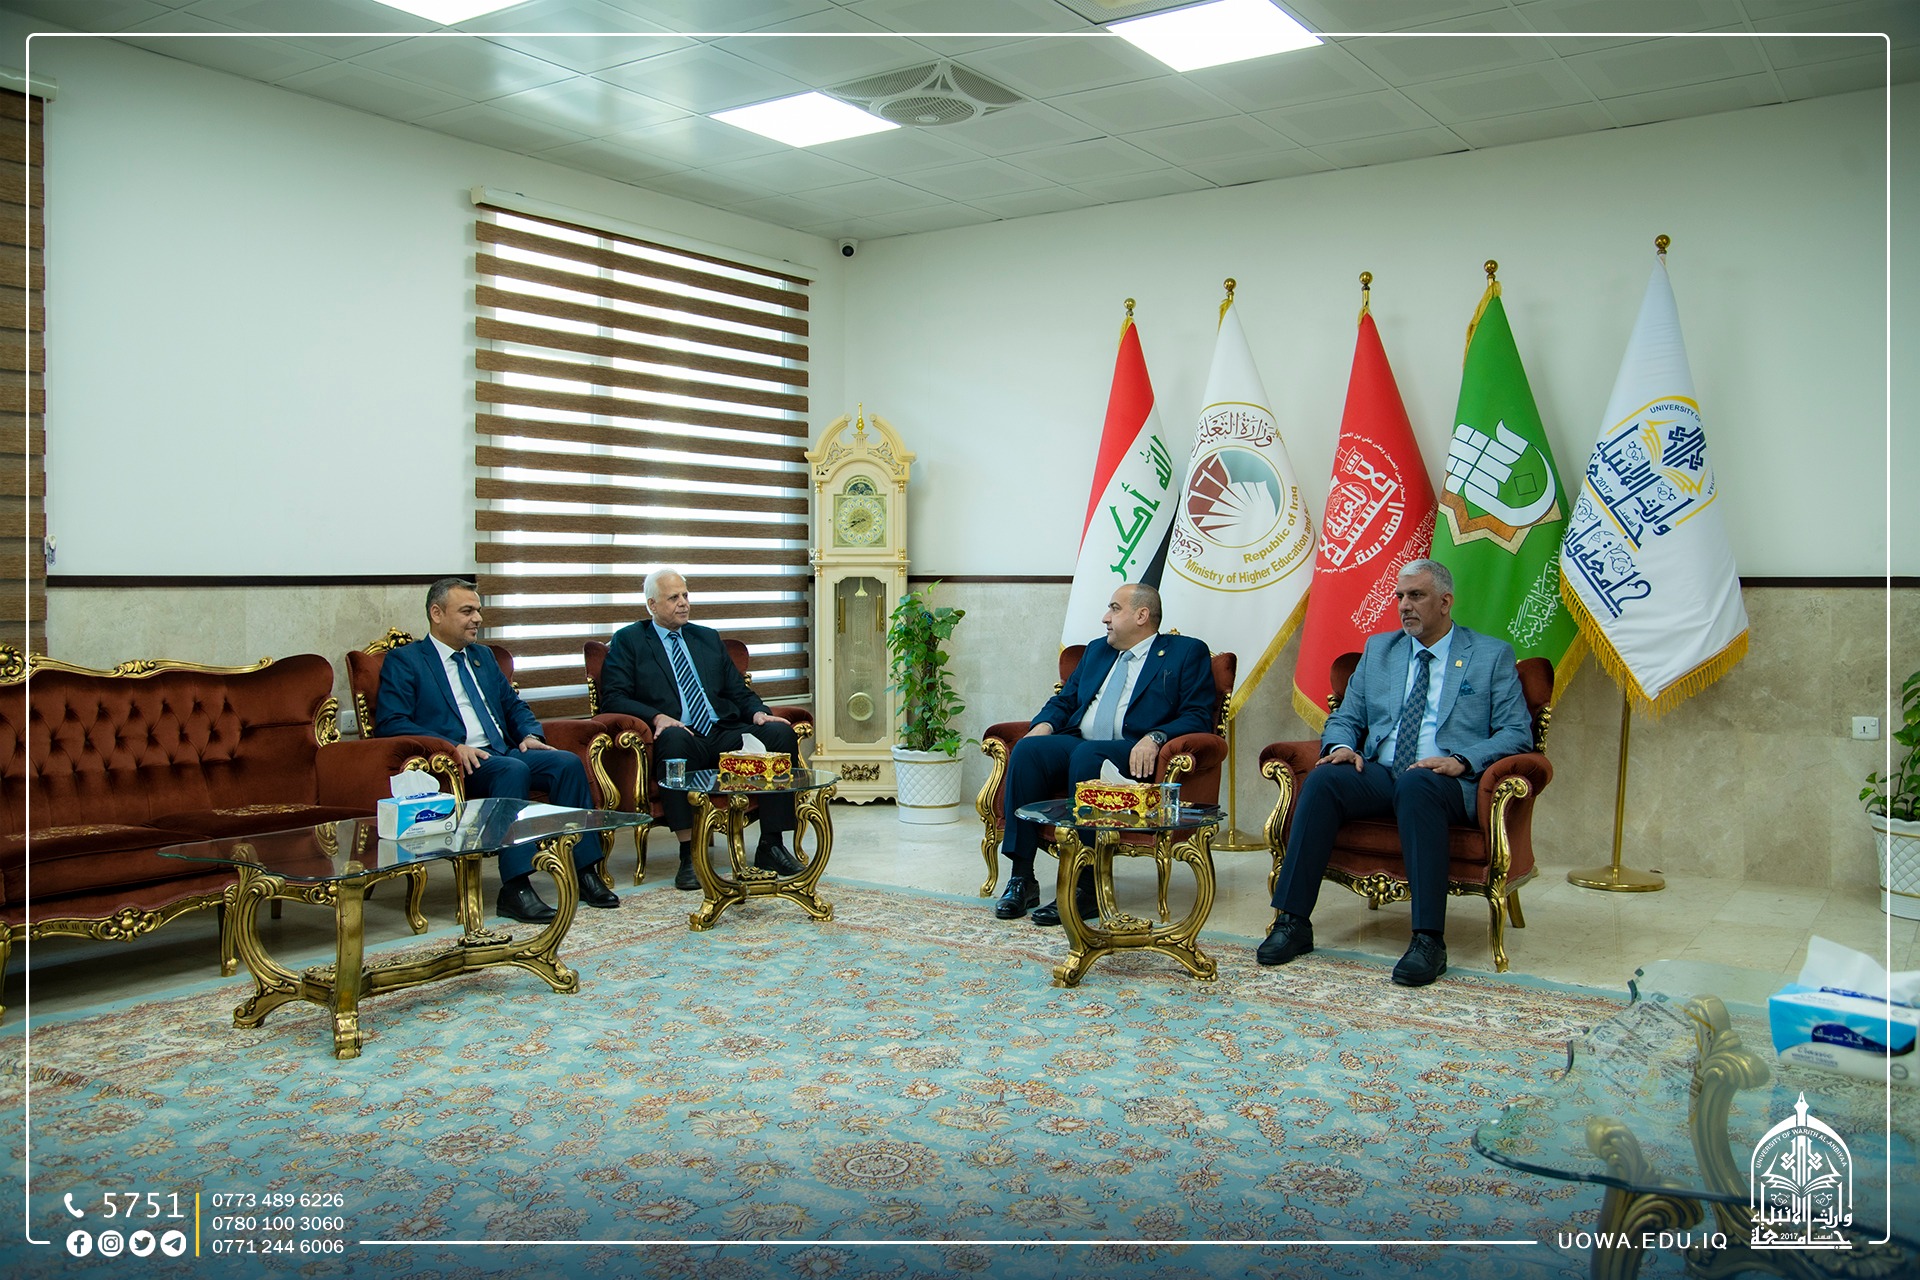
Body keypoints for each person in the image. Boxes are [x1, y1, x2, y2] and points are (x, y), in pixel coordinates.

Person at [1258, 558, 1533, 987]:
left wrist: (1462, 760)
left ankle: (1428, 941)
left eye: (1416, 596)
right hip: (1382, 772)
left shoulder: (1489, 655)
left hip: (1445, 780)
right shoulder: (1380, 650)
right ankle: (1292, 921)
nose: (1404, 605)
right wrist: (1343, 747)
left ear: (1445, 602)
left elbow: (1517, 732)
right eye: (1400, 596)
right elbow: (1346, 717)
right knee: (1325, 779)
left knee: (1418, 783)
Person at [375, 578, 622, 924]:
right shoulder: (406, 661)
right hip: (458, 764)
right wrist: (451, 747)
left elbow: (513, 704)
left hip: (502, 750)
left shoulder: (482, 657)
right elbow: (391, 722)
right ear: (436, 613)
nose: (477, 618)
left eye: (478, 610)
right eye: (467, 611)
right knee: (512, 770)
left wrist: (529, 733)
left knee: (566, 763)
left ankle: (583, 872)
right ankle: (515, 888)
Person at [997, 583, 1216, 926]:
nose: (1105, 618)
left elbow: (1198, 715)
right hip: (1081, 741)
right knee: (1028, 749)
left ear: (1142, 615)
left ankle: (1086, 886)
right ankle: (1022, 878)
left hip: (1132, 749)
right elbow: (1066, 700)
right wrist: (1044, 725)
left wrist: (1156, 737)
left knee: (1089, 755)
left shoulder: (1185, 652)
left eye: (1114, 609)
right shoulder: (1097, 651)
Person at [597, 568, 802, 891]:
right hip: (683, 733)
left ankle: (771, 846)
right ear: (651, 605)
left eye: (685, 595)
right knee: (673, 739)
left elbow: (737, 690)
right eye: (673, 598)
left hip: (722, 730)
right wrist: (657, 717)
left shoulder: (706, 638)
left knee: (780, 734)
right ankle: (690, 853)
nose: (683, 603)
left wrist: (759, 713)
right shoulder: (630, 640)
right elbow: (613, 697)